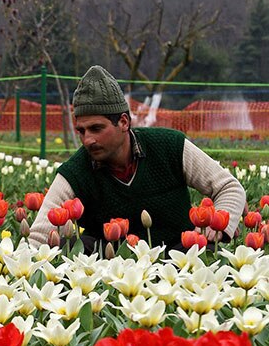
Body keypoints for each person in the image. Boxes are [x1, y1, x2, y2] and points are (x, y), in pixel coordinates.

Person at [28, 65, 246, 250]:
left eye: (96, 128)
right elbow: (38, 236)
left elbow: (229, 187)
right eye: (82, 131)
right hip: (110, 270)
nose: (88, 140)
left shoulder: (169, 146)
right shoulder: (77, 170)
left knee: (202, 247)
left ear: (123, 122)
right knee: (75, 245)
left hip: (177, 258)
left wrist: (218, 225)